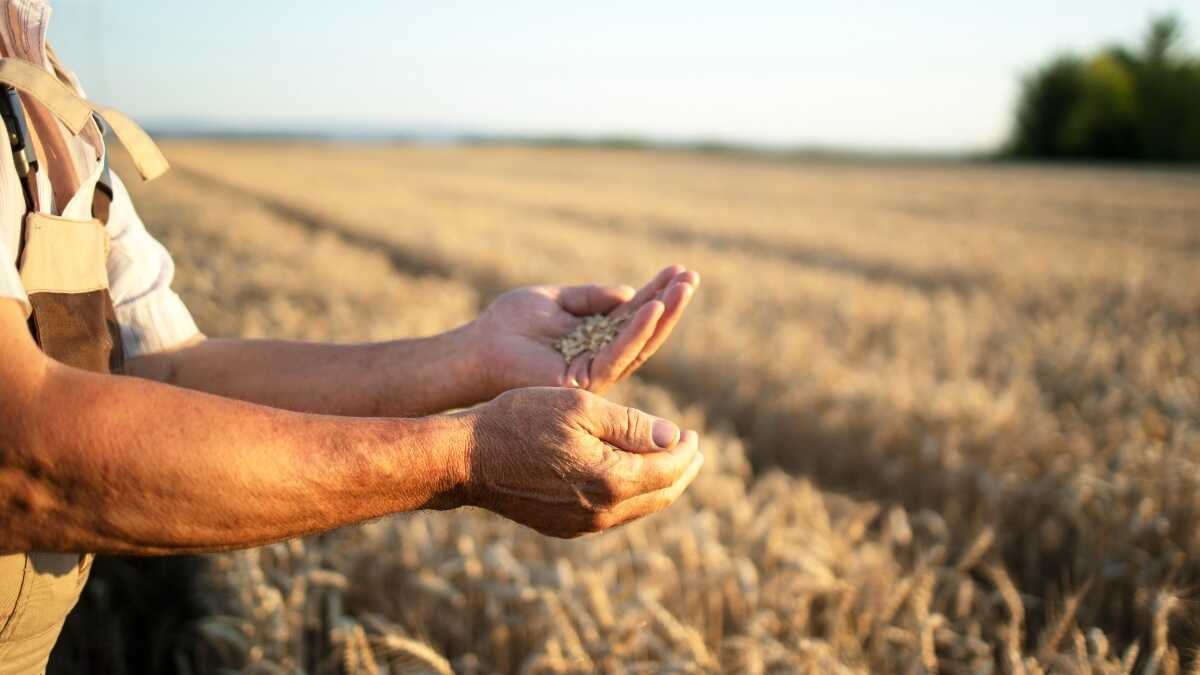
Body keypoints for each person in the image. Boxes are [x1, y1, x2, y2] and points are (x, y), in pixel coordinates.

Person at [0, 1, 702, 672]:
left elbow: (164, 369)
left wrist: (472, 353)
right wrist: (468, 457)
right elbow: (22, 448)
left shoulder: (42, 78)